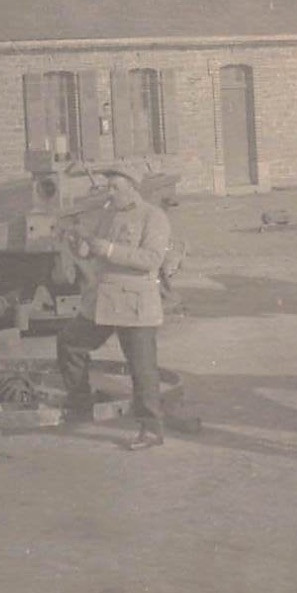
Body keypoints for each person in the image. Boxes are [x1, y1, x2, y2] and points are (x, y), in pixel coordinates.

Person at [56, 163, 172, 450]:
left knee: (142, 368)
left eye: (115, 187)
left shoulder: (153, 216)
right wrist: (76, 242)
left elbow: (151, 260)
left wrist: (108, 249)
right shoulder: (107, 213)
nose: (109, 191)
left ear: (132, 187)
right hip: (104, 300)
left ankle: (151, 429)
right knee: (70, 343)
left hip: (135, 303)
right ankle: (80, 402)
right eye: (108, 186)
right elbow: (90, 253)